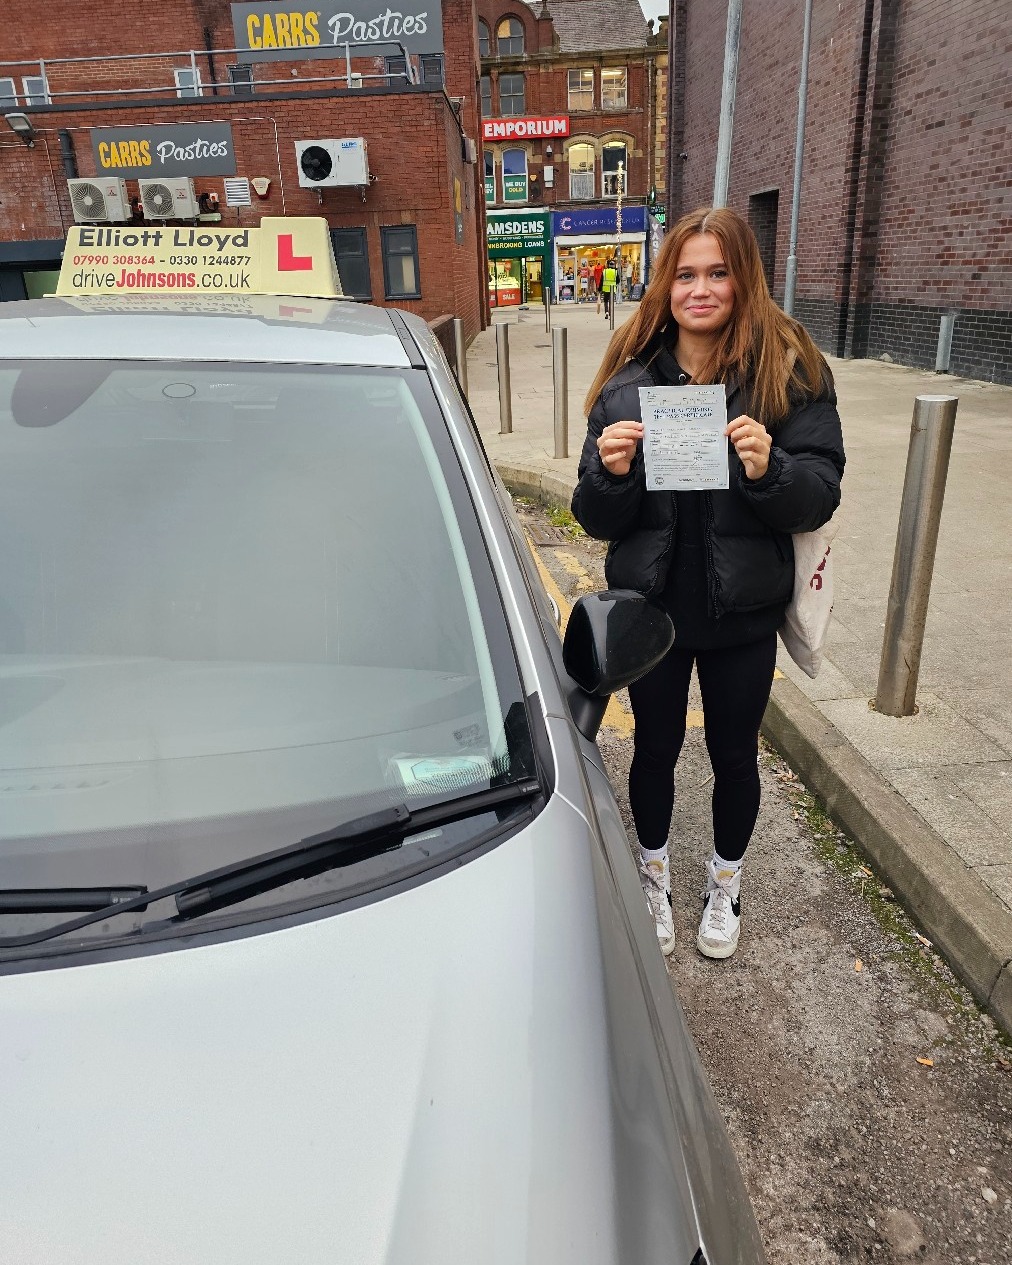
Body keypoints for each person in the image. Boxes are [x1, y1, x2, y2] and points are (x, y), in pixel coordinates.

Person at [571, 206, 844, 960]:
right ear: (666, 284)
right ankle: (653, 874)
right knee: (653, 749)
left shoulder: (788, 377)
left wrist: (770, 468)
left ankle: (725, 885)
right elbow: (595, 515)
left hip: (742, 614)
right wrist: (612, 472)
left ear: (743, 277)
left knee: (734, 754)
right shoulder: (627, 388)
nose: (701, 289)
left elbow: (821, 490)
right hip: (652, 614)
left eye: (718, 272)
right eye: (686, 274)